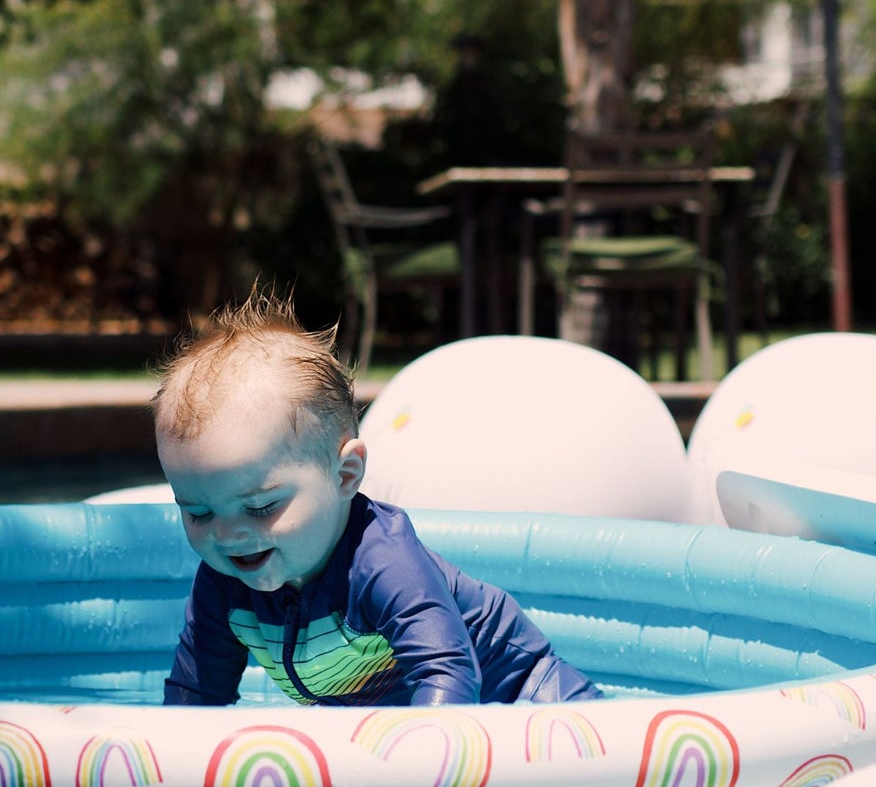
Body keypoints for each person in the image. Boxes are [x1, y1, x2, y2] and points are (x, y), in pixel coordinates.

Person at [154, 290, 600, 707]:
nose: (228, 535)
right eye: (198, 512)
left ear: (345, 474)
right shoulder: (224, 582)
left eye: (261, 507)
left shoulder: (382, 561)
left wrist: (417, 771)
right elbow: (195, 692)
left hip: (526, 693)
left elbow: (446, 673)